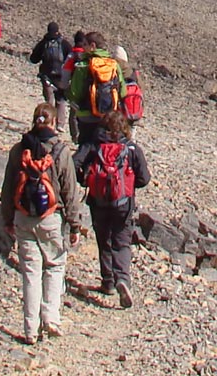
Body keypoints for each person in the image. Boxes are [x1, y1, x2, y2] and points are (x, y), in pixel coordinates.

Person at [0, 104, 87, 345]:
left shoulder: (19, 150)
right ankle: (51, 317)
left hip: (23, 218)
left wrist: (7, 219)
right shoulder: (60, 151)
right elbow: (69, 190)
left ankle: (30, 329)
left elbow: (8, 188)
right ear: (54, 122)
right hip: (51, 218)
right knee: (55, 265)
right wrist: (74, 224)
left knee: (31, 273)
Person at [73, 112, 151, 307]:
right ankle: (122, 279)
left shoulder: (93, 144)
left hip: (98, 200)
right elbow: (144, 178)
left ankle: (108, 282)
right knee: (122, 241)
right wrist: (128, 185)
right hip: (123, 203)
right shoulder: (132, 148)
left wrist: (85, 179)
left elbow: (73, 164)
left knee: (103, 239)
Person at [68, 31, 127, 147]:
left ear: (92, 46)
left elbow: (75, 93)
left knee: (86, 146)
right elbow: (123, 92)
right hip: (108, 116)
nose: (83, 47)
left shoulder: (83, 65)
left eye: (85, 44)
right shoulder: (113, 65)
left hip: (86, 114)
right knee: (104, 147)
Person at [29, 22, 72, 132]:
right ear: (58, 31)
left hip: (47, 76)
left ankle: (49, 122)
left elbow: (34, 59)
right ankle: (60, 125)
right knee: (61, 100)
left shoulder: (43, 43)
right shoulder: (64, 43)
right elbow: (71, 58)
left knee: (50, 100)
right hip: (61, 77)